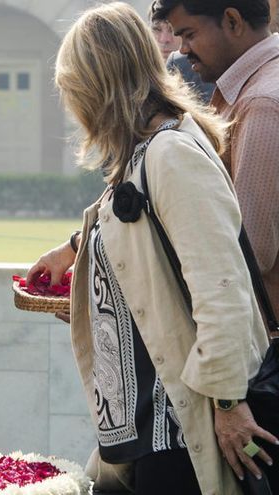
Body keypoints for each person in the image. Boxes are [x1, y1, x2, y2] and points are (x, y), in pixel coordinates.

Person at [28, 3, 274, 493]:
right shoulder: (147, 149)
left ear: (94, 86)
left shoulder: (170, 152)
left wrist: (227, 407)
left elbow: (222, 285)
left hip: (178, 432)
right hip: (145, 429)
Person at [153, 0, 279, 335]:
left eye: (189, 34)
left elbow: (249, 252)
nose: (183, 49)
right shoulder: (249, 90)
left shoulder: (261, 105)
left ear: (233, 21)